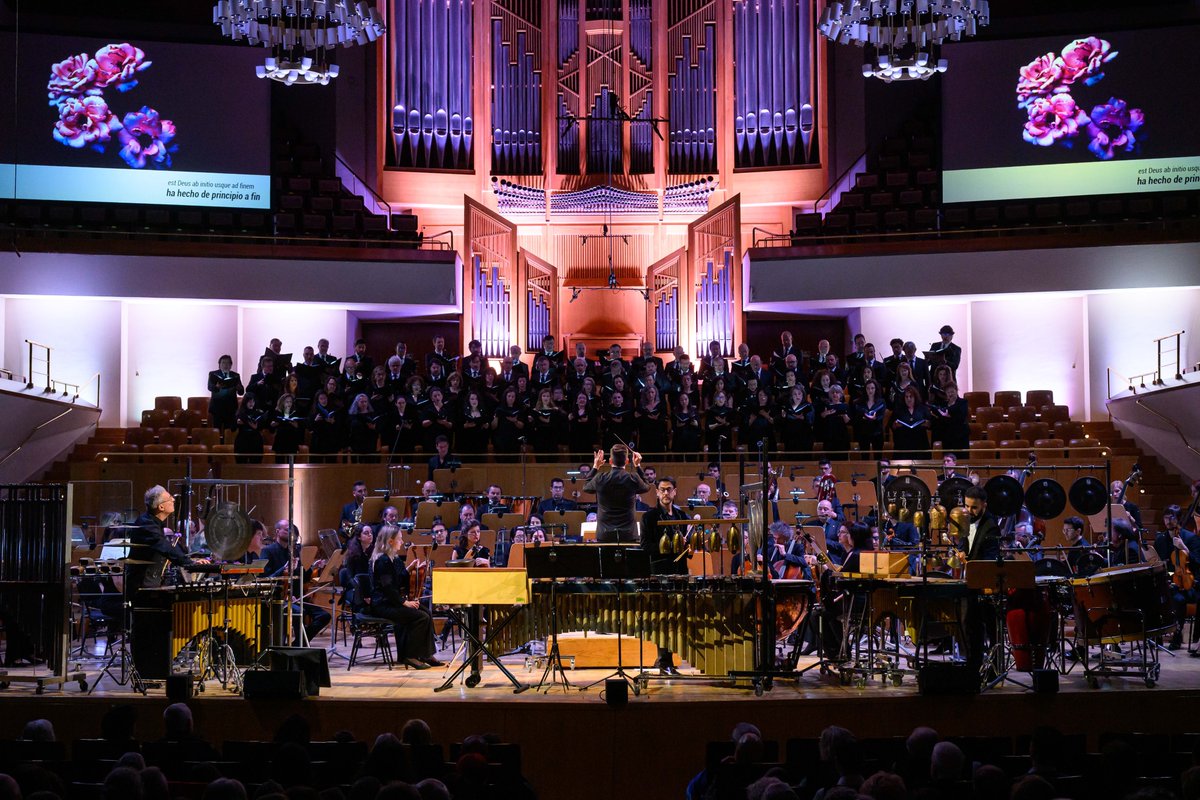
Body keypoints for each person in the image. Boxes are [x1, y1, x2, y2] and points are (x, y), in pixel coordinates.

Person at [369, 525, 441, 669]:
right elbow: (388, 588)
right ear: (390, 541)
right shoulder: (382, 560)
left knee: (426, 612)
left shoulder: (393, 559)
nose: (402, 542)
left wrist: (410, 569)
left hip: (392, 602)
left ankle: (425, 654)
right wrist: (404, 603)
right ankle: (410, 655)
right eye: (399, 539)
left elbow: (399, 580)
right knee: (420, 617)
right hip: (383, 604)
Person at [126, 486, 208, 589]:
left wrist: (190, 560)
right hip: (141, 585)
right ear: (161, 507)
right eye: (170, 498)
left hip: (150, 582)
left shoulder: (152, 522)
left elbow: (168, 547)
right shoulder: (146, 524)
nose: (173, 499)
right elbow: (165, 547)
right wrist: (189, 563)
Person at [583, 445, 650, 543]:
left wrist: (595, 467)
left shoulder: (600, 478)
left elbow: (586, 487)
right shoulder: (633, 478)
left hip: (605, 534)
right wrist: (638, 466)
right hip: (628, 534)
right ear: (627, 461)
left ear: (610, 461)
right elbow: (647, 486)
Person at [207, 354, 244, 432]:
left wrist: (239, 388)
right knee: (216, 431)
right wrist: (216, 387)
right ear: (219, 365)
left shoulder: (236, 376)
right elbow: (210, 387)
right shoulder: (213, 374)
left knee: (229, 431)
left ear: (231, 365)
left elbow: (241, 392)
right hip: (217, 408)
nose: (225, 365)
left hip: (230, 408)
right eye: (223, 363)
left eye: (228, 363)